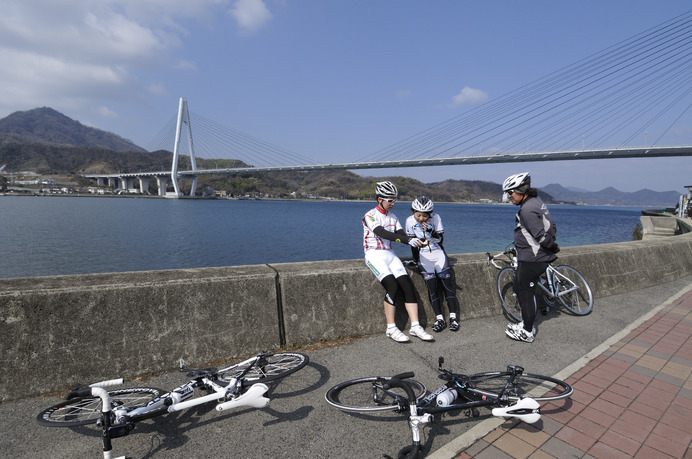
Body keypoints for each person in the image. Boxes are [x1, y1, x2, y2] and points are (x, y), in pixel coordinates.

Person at [362, 181, 434, 343]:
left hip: (390, 254)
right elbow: (381, 233)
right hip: (373, 255)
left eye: (394, 200)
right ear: (380, 199)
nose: (393, 204)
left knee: (407, 286)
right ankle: (391, 328)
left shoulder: (393, 217)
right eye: (390, 200)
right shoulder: (370, 215)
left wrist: (416, 239)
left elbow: (401, 234)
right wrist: (406, 240)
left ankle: (415, 326)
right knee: (392, 286)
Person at [502, 172, 559, 343]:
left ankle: (527, 331)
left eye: (510, 192)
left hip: (533, 258)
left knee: (525, 293)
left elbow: (540, 236)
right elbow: (551, 225)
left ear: (521, 191)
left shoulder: (526, 209)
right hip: (531, 255)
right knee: (520, 287)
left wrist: (552, 247)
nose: (508, 196)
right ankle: (526, 322)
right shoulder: (536, 202)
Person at [405, 196, 461, 332]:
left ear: (430, 214)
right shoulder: (409, 221)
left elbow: (440, 240)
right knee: (432, 288)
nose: (421, 218)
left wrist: (431, 231)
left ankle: (453, 318)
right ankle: (440, 319)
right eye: (418, 215)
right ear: (413, 211)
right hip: (423, 258)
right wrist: (415, 259)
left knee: (447, 287)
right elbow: (413, 243)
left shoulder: (436, 218)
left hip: (438, 255)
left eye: (425, 216)